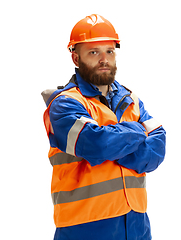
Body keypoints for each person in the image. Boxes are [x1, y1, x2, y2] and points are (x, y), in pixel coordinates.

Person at [41, 14, 166, 240]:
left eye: (109, 51)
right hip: (85, 227)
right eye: (93, 52)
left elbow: (157, 149)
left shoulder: (131, 99)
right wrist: (136, 131)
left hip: (136, 225)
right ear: (76, 59)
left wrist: (115, 146)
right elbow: (96, 145)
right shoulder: (65, 104)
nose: (104, 59)